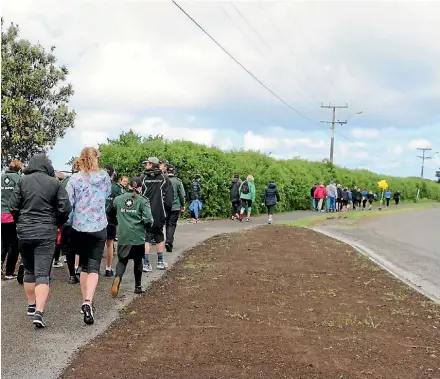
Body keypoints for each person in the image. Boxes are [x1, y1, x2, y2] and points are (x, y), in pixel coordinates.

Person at [9, 154, 71, 328]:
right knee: (43, 273)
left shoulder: (22, 181)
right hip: (46, 231)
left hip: (25, 231)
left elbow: (13, 206)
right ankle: (39, 312)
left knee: (29, 269)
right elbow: (65, 208)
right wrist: (56, 222)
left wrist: (21, 222)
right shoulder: (55, 183)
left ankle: (31, 305)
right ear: (47, 166)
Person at [66, 147, 111, 325]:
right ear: (96, 158)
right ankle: (88, 301)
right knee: (94, 266)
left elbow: (69, 203)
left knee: (84, 265)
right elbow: (107, 195)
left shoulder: (74, 179)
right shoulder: (104, 177)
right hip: (99, 226)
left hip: (80, 226)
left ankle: (86, 300)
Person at [110, 177, 153, 297]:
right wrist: (147, 226)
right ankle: (138, 286)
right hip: (137, 237)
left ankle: (117, 279)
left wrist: (118, 222)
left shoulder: (118, 199)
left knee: (122, 261)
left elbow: (110, 212)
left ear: (128, 186)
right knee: (138, 261)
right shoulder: (143, 200)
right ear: (140, 187)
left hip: (123, 236)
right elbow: (148, 219)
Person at [140, 157, 173, 272]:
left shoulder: (142, 178)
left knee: (146, 238)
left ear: (150, 164)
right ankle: (160, 262)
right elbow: (169, 199)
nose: (145, 165)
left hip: (145, 212)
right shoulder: (164, 178)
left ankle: (146, 264)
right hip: (160, 212)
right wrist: (166, 211)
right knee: (159, 236)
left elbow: (137, 195)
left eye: (147, 163)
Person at [1, 160, 23, 280]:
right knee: (13, 244)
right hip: (11, 215)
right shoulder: (18, 179)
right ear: (19, 168)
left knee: (3, 242)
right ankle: (9, 273)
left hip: (0, 214)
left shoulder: (1, 178)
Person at [60, 159, 81, 284]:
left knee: (69, 249)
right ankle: (82, 270)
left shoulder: (66, 182)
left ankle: (72, 275)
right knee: (84, 247)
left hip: (68, 220)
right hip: (83, 221)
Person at [103, 164, 123, 277]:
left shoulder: (96, 184)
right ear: (113, 173)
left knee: (95, 245)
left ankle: (92, 269)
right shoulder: (117, 187)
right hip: (110, 219)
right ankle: (108, 268)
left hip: (96, 219)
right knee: (109, 244)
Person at [165, 165, 185, 253]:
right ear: (174, 172)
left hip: (164, 206)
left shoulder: (163, 180)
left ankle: (166, 240)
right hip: (175, 206)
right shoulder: (178, 181)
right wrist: (183, 205)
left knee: (166, 224)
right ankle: (169, 241)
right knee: (171, 224)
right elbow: (182, 194)